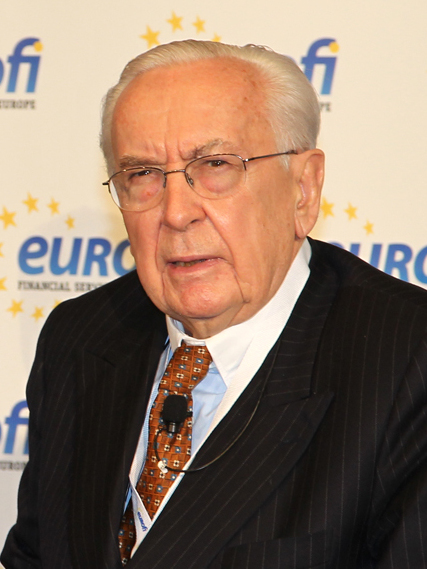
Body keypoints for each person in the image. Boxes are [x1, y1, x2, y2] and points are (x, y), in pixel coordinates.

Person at [2, 39, 427, 569]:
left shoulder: (408, 361)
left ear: (303, 189)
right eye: (143, 174)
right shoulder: (80, 336)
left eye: (216, 164)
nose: (176, 213)